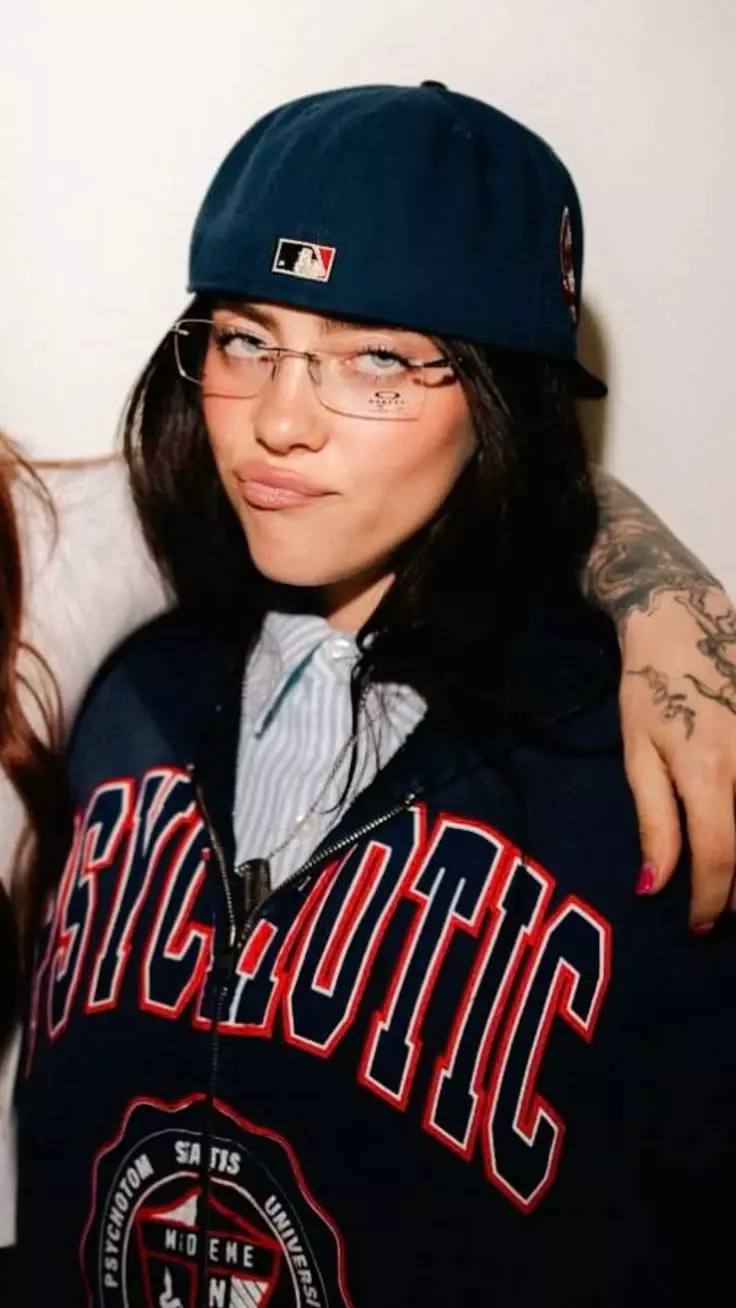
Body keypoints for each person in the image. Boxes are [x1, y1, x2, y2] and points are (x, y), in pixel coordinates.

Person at [13, 83, 736, 1306]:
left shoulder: (637, 767)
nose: (278, 422)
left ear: (501, 401)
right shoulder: (122, 683)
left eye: (378, 360)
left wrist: (668, 610)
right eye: (245, 340)